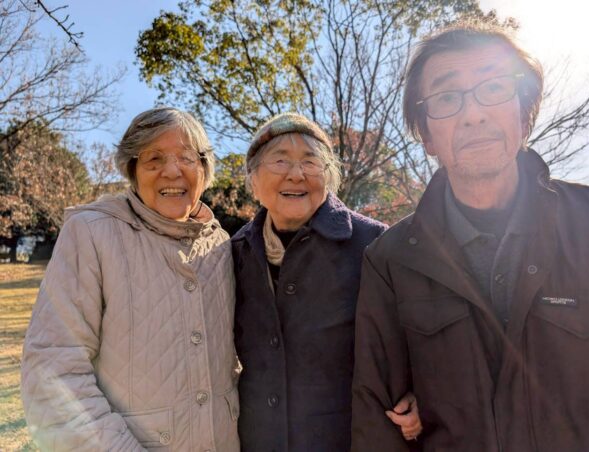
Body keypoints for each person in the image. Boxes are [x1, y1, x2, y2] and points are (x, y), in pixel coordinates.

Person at [352, 21, 589, 452]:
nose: (473, 114)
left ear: (524, 113)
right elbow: (377, 421)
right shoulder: (391, 259)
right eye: (447, 97)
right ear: (426, 136)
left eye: (494, 87)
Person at [21, 107, 239, 451]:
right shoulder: (91, 234)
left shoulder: (222, 244)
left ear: (204, 169)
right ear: (133, 170)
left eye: (186, 157)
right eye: (154, 159)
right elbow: (53, 371)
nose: (172, 171)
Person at [231, 113, 396, 451]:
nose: (296, 174)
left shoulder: (375, 243)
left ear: (328, 176)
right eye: (280, 161)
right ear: (254, 180)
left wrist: (415, 393)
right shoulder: (234, 253)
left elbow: (411, 339)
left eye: (310, 161)